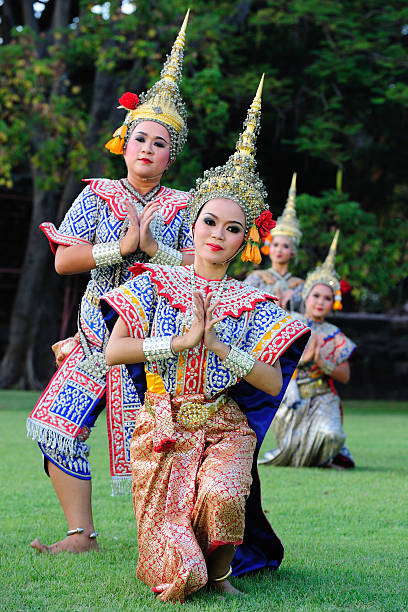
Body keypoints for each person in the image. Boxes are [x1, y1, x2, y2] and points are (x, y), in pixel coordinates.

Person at [101, 76, 310, 602]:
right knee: (175, 578)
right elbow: (114, 350)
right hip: (162, 425)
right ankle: (193, 564)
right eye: (209, 222)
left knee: (223, 494)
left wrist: (218, 346)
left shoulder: (253, 304)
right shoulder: (151, 282)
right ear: (193, 225)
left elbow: (269, 379)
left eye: (233, 228)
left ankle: (222, 574)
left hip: (223, 424)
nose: (218, 234)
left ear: (246, 241)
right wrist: (177, 344)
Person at [27, 12, 194, 554]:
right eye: (140, 138)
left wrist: (152, 250)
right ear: (124, 142)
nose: (147, 148)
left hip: (155, 342)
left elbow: (198, 267)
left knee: (165, 443)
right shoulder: (96, 195)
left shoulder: (186, 207)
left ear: (172, 156)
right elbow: (63, 262)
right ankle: (81, 535)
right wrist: (118, 249)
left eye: (160, 143)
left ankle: (173, 542)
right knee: (55, 424)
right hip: (95, 334)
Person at [259, 230, 356, 469]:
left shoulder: (334, 334)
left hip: (321, 396)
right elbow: (268, 356)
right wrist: (303, 359)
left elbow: (345, 375)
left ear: (333, 302)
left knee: (331, 436)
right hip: (291, 395)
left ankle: (322, 458)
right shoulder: (290, 322)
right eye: (316, 296)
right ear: (306, 296)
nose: (320, 302)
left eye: (326, 298)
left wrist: (321, 359)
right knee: (291, 447)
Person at [245, 173, 304, 310]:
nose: (279, 250)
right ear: (269, 247)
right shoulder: (257, 278)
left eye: (285, 246)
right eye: (275, 245)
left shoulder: (299, 285)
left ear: (293, 252)